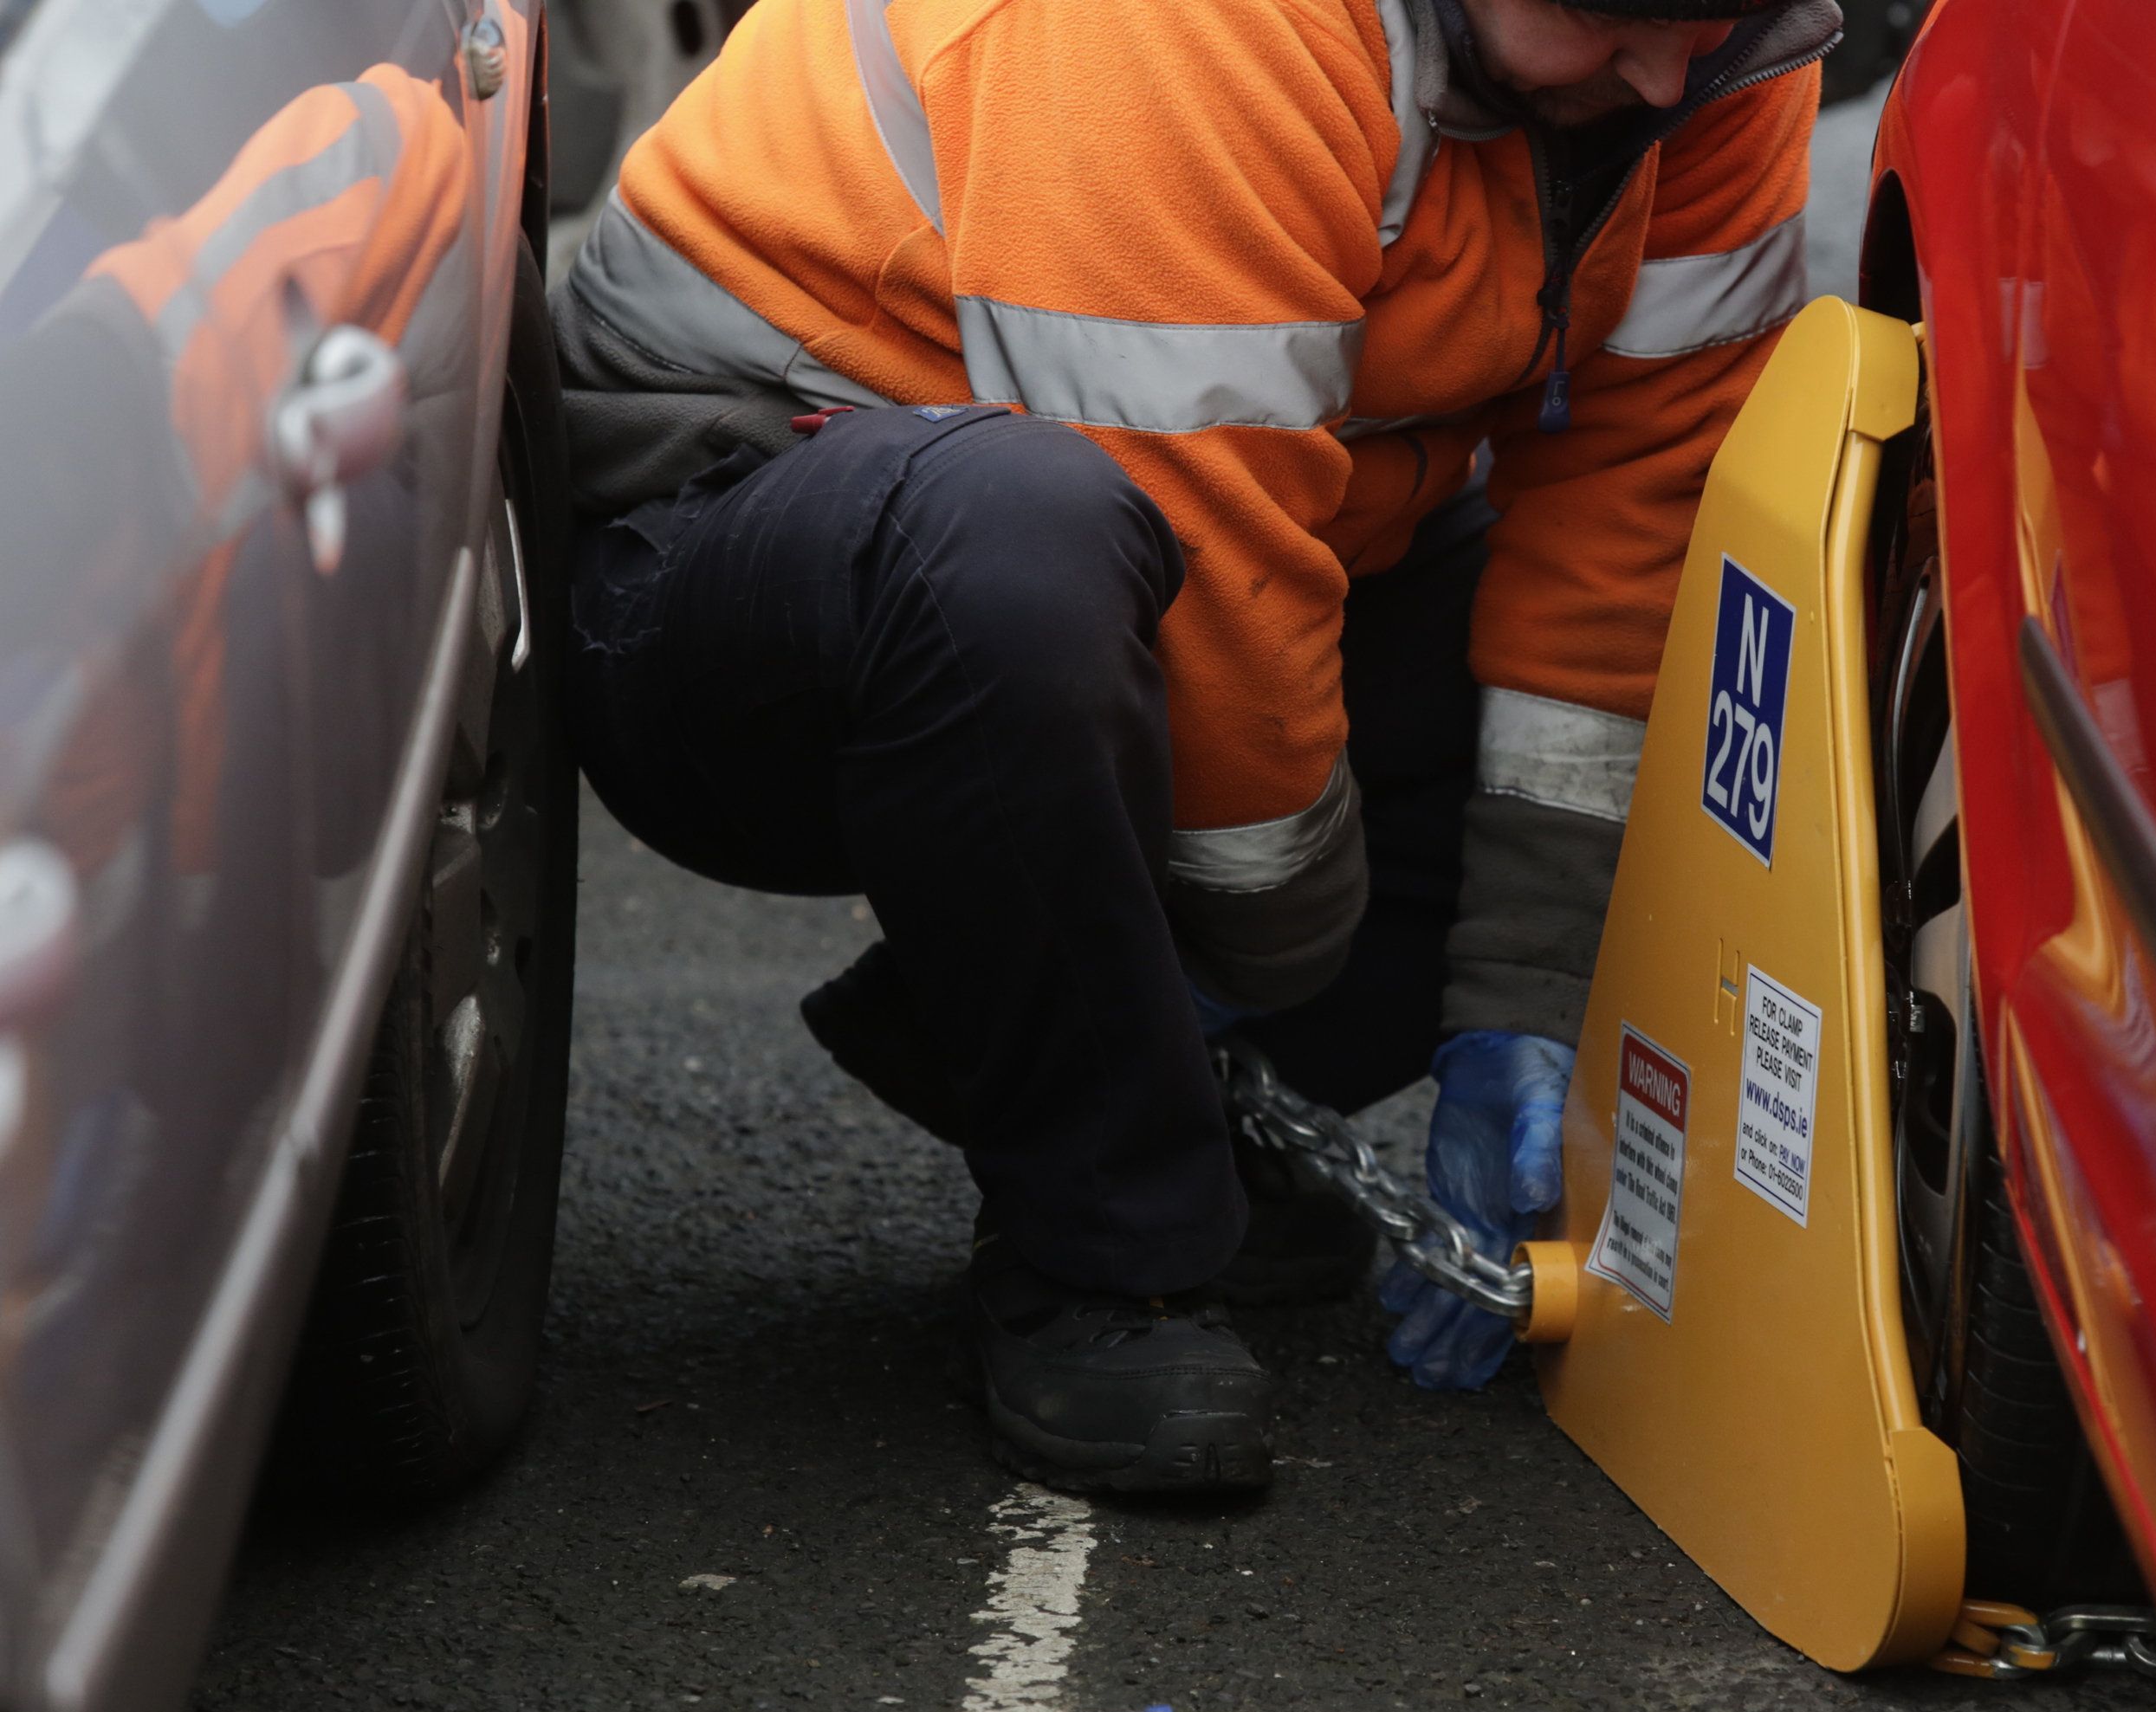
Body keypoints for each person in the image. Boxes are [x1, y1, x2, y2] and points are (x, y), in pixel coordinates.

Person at [550, 0, 1835, 1494]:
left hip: (1183, 536)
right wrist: (1244, 978)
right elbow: (1203, 564)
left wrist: (1534, 986)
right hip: (746, 547)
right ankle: (1103, 1251)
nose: (1666, 77)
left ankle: (1059, 1045)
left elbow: (1635, 511)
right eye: (1607, 15)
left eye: (1708, 21)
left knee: (1699, 672)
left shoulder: (1713, 54)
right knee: (1018, 545)